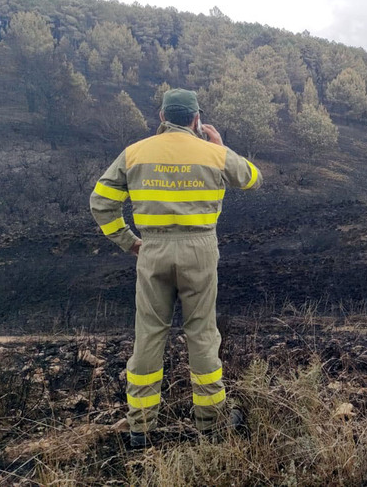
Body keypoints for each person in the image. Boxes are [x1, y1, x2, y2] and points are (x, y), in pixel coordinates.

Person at [89, 88, 262, 447]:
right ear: (197, 119)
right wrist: (220, 146)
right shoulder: (212, 153)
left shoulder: (134, 153)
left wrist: (129, 241)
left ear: (162, 118)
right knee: (201, 333)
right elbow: (252, 178)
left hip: (152, 249)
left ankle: (140, 427)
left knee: (149, 333)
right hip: (200, 250)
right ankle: (211, 422)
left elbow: (101, 203)